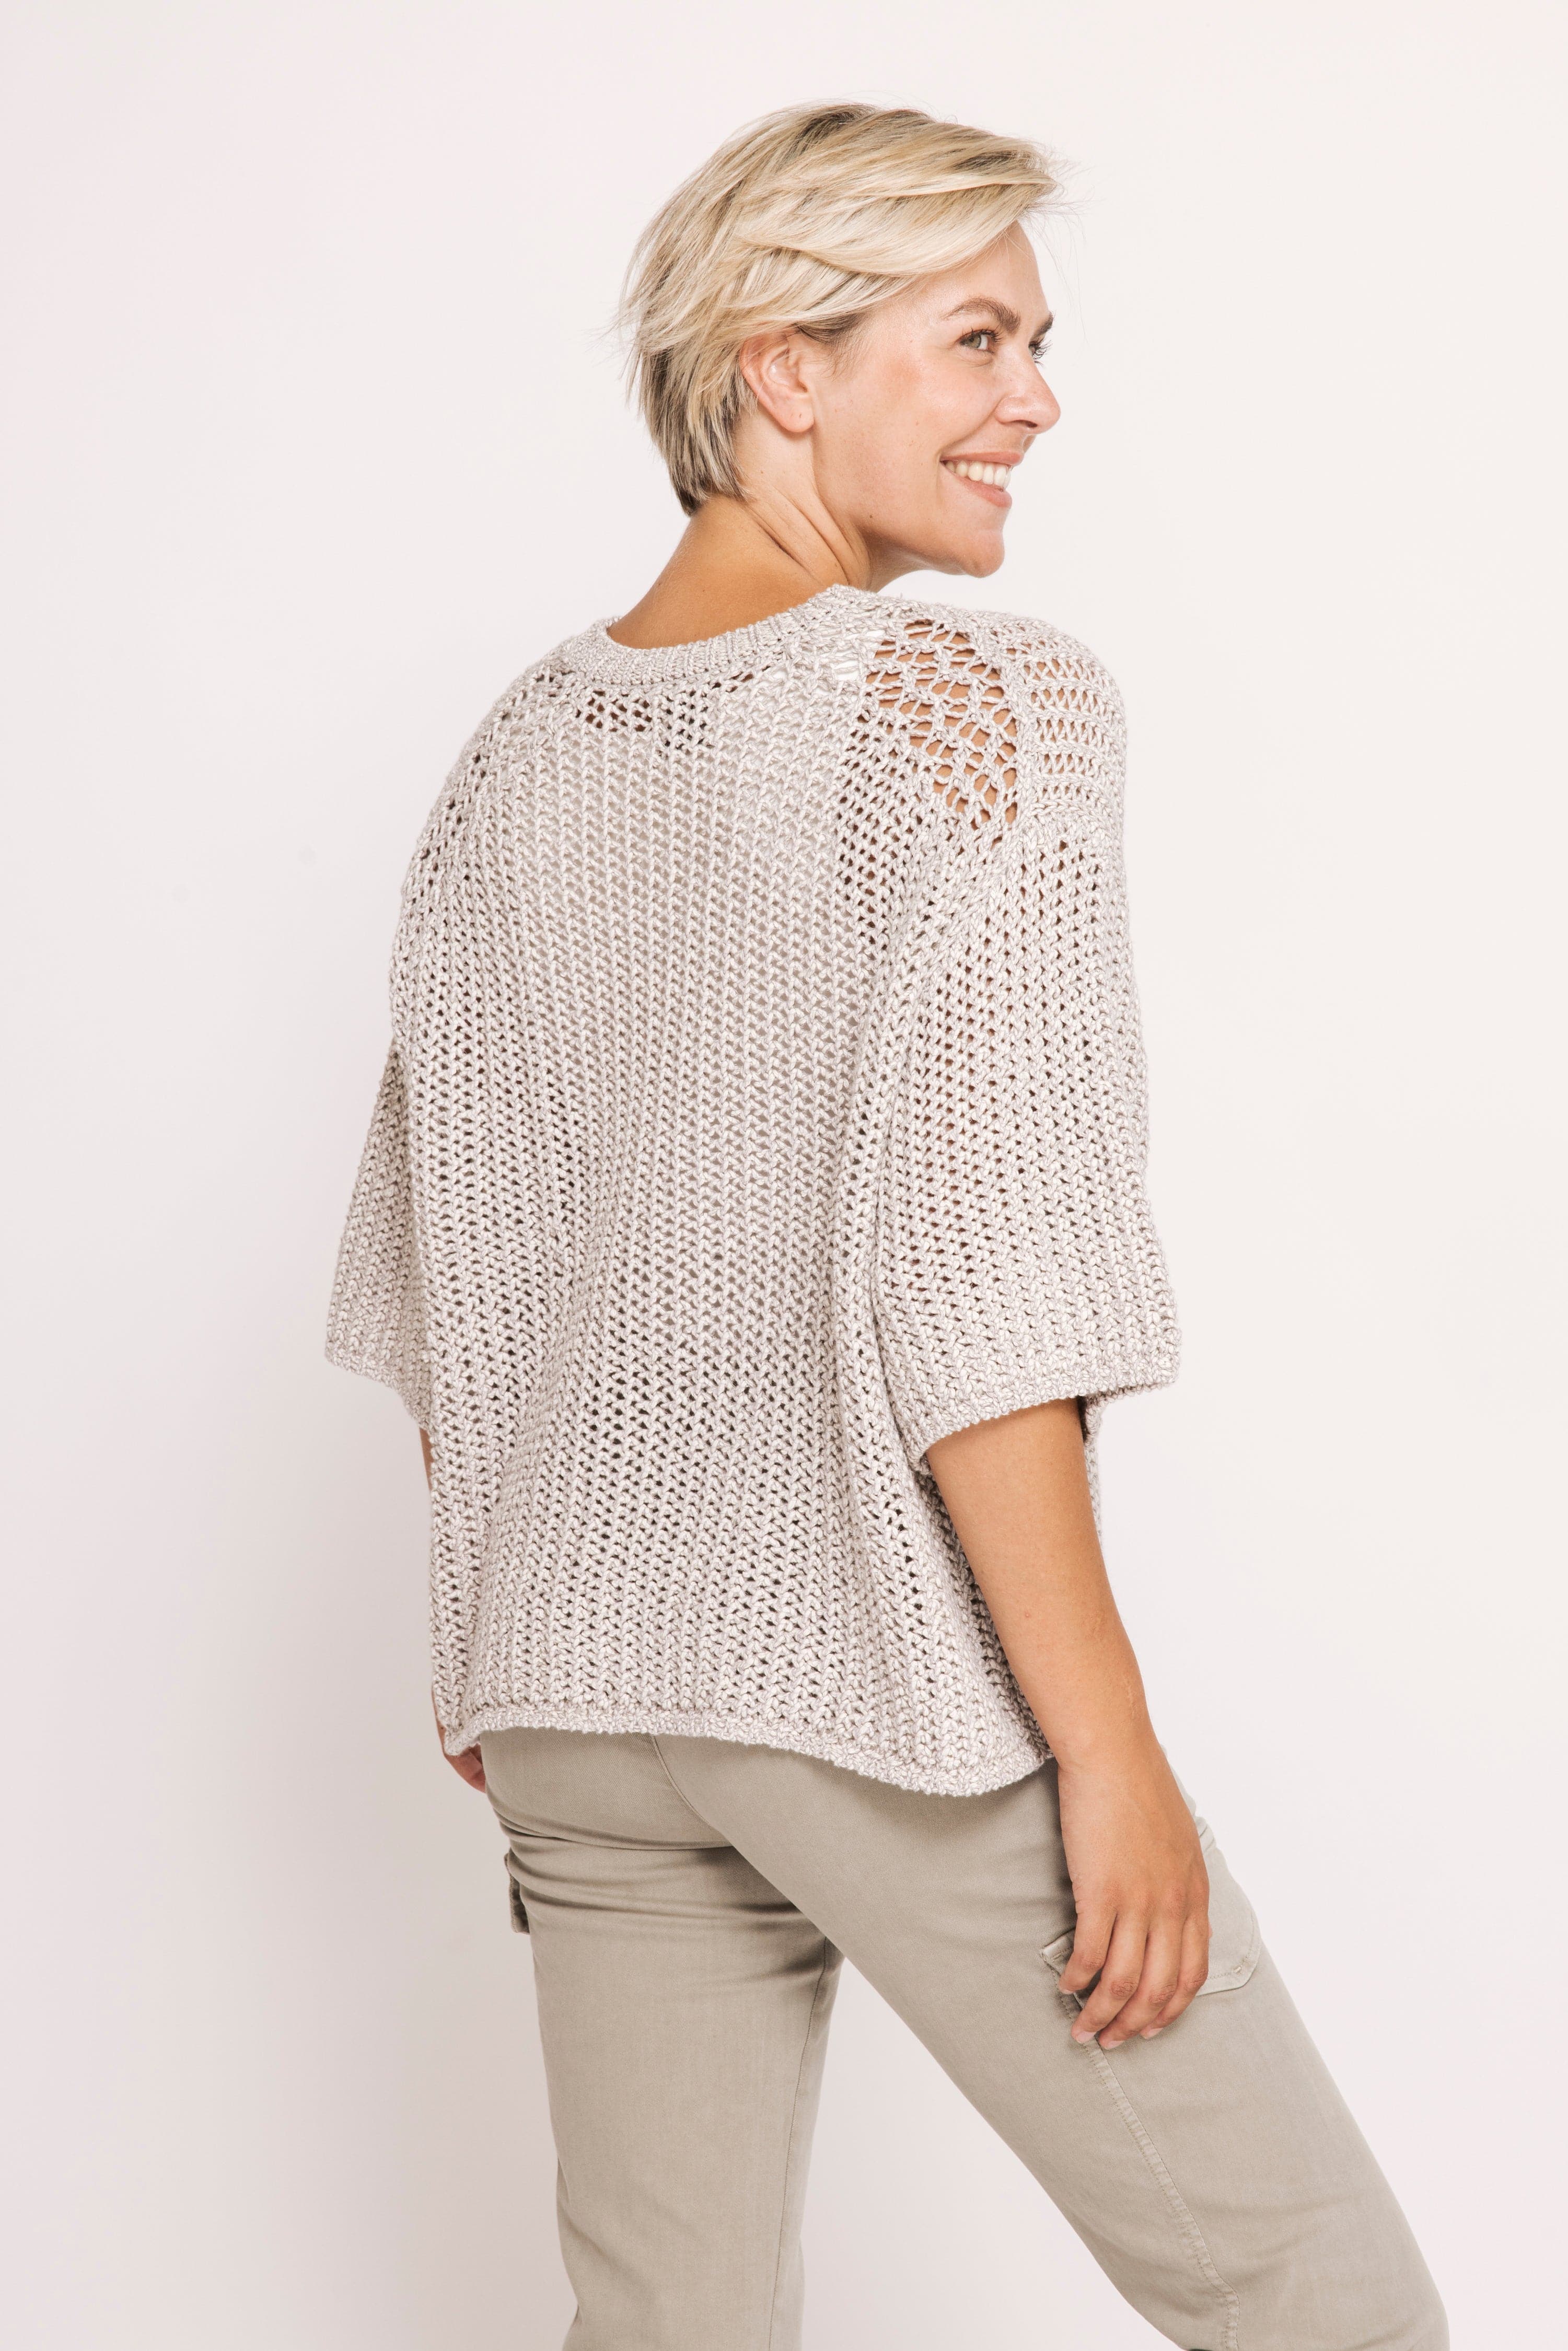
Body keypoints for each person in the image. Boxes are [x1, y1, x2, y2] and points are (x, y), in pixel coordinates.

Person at [327, 102, 1446, 2351]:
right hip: (866, 1694)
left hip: (570, 1697)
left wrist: (499, 1655)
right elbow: (988, 1289)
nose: (1036, 400)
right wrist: (1106, 1754)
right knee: (1321, 2305)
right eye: (977, 339)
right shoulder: (975, 707)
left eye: (1037, 343)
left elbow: (456, 1272)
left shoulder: (508, 762)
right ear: (783, 367)